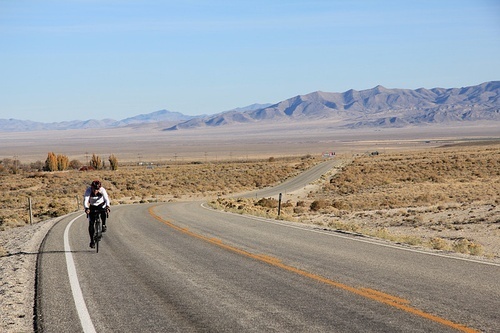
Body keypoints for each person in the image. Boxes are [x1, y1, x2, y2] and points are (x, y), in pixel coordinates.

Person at [83, 180, 111, 248]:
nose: (95, 190)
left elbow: (107, 199)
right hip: (92, 206)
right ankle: (92, 241)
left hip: (101, 205)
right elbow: (85, 200)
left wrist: (108, 206)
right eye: (94, 189)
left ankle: (103, 224)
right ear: (91, 187)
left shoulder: (102, 190)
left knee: (104, 211)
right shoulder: (88, 190)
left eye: (97, 189)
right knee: (91, 224)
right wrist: (86, 208)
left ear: (99, 188)